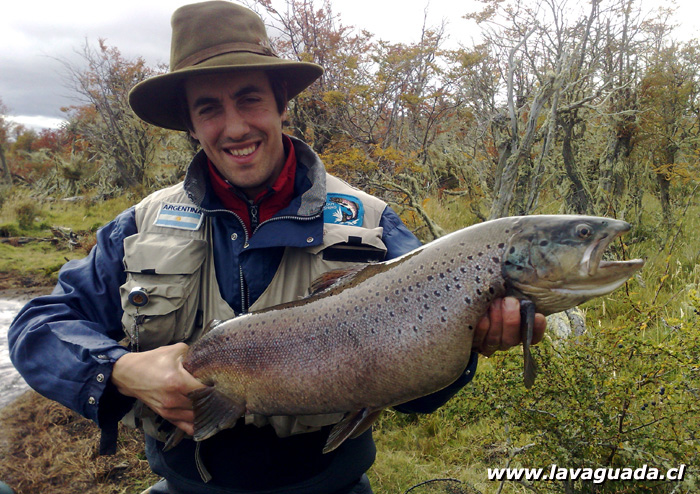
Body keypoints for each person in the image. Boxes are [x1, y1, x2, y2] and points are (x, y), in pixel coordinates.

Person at [8, 2, 546, 493]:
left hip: (329, 485)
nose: (235, 126)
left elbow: (422, 398)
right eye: (210, 108)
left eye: (250, 99)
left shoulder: (374, 224)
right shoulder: (141, 225)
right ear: (192, 125)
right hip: (186, 484)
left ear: (282, 104)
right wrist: (121, 369)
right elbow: (38, 327)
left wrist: (468, 346)